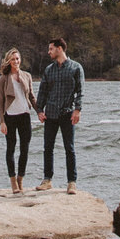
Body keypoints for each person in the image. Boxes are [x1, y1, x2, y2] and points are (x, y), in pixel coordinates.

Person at [33, 37, 83, 193]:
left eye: (51, 49)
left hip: (68, 113)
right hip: (51, 114)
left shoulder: (76, 68)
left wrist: (78, 110)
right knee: (48, 147)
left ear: (60, 49)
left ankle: (71, 182)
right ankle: (47, 180)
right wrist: (39, 110)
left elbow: (81, 92)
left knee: (70, 148)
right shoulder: (49, 69)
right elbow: (43, 91)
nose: (49, 52)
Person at [0, 48, 36, 195]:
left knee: (25, 149)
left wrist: (40, 112)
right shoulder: (3, 79)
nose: (16, 61)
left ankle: (20, 179)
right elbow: (0, 102)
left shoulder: (27, 76)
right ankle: (12, 181)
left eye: (17, 59)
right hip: (10, 116)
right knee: (11, 149)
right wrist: (2, 122)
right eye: (13, 59)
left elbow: (31, 96)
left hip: (24, 115)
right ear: (8, 61)